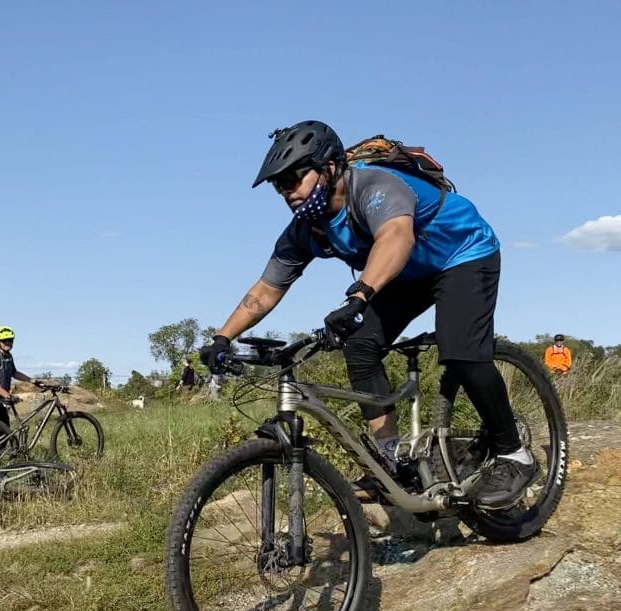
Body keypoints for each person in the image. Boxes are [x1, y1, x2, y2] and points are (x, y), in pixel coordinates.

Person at [201, 120, 536, 509]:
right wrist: (222, 338)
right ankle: (393, 460)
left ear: (328, 168)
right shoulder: (306, 229)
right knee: (360, 345)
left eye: (294, 178)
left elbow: (396, 237)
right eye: (280, 186)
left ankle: (515, 454)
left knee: (459, 349)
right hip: (409, 273)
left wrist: (360, 295)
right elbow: (266, 289)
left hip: (463, 254)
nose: (288, 192)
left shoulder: (374, 186)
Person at [0, 325, 42, 464]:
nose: (8, 343)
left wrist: (32, 380)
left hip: (0, 401)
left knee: (5, 434)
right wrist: (6, 395)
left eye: (10, 340)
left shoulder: (8, 357)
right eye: (5, 341)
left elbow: (14, 373)